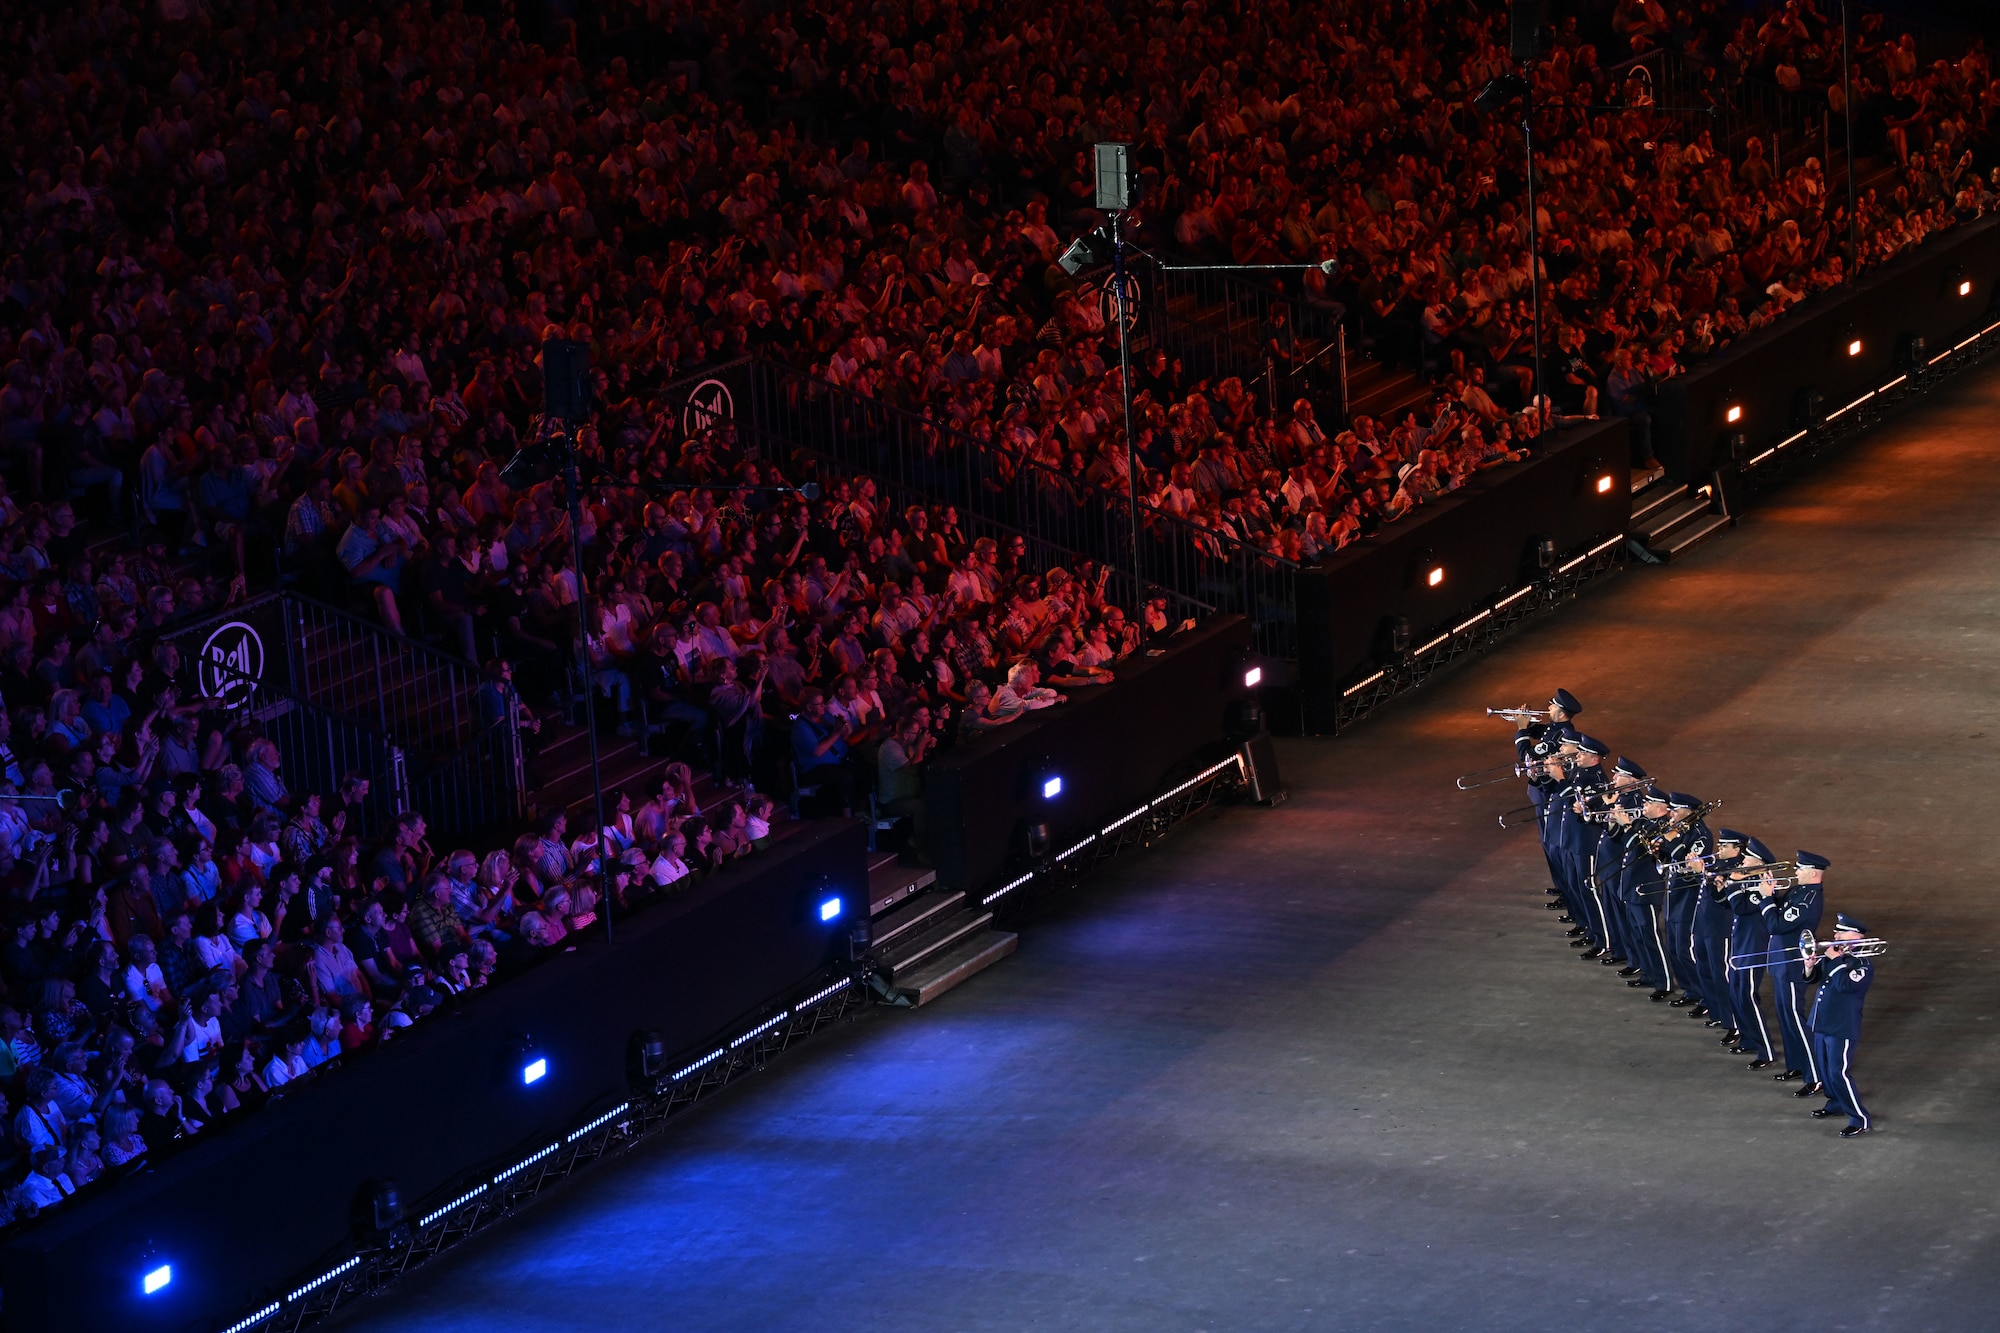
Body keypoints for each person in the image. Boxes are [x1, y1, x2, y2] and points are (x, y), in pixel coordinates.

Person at [1757, 850, 1827, 1091]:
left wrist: (1766, 899)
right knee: (1785, 1015)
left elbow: (1776, 924)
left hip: (1791, 962)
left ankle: (1815, 1074)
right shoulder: (1799, 891)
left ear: (1813, 873)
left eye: (1801, 868)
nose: (1796, 872)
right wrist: (1771, 892)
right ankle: (1796, 1064)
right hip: (1780, 961)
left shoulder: (1808, 899)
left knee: (1795, 1017)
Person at [1804, 913, 1876, 1137]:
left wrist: (1834, 960)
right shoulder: (1836, 957)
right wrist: (1809, 966)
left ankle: (1859, 1118)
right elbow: (1815, 978)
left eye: (1841, 932)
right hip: (1822, 1022)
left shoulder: (1862, 964)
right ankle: (1835, 1103)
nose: (1835, 936)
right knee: (1825, 1071)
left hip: (1841, 1027)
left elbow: (1845, 985)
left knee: (1838, 1072)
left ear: (1856, 936)